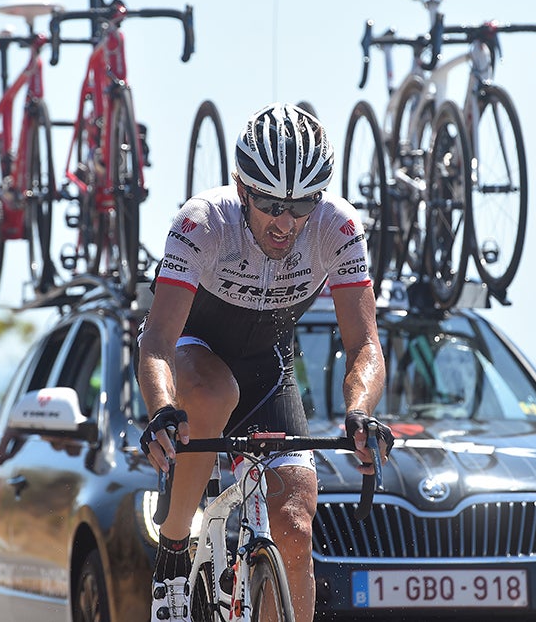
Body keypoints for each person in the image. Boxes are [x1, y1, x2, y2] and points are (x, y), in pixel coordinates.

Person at [136, 102, 392, 622]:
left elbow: (365, 343)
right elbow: (159, 338)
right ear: (242, 188)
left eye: (301, 206)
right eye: (272, 204)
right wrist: (163, 408)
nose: (286, 222)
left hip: (267, 369)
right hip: (193, 353)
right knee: (211, 394)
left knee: (296, 525)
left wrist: (360, 412)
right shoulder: (203, 222)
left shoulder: (337, 227)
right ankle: (174, 546)